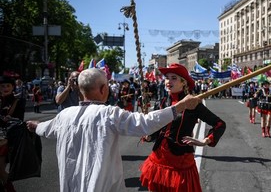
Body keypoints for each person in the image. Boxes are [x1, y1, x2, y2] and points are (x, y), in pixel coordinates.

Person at [26, 68, 201, 192]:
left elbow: (45, 128)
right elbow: (145, 123)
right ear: (104, 89)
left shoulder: (64, 115)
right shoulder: (109, 114)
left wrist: (34, 125)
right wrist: (179, 107)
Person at [139, 63, 226, 192]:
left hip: (180, 162)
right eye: (167, 77)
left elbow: (220, 124)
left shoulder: (192, 104)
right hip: (158, 158)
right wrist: (150, 135)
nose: (169, 81)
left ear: (183, 83)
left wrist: (205, 140)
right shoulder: (163, 101)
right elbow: (158, 128)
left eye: (174, 78)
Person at [0, 75, 26, 191]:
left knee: (0, 169)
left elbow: (19, 120)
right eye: (2, 86)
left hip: (6, 140)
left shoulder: (18, 101)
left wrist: (9, 118)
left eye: (8, 85)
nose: (5, 88)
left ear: (13, 87)